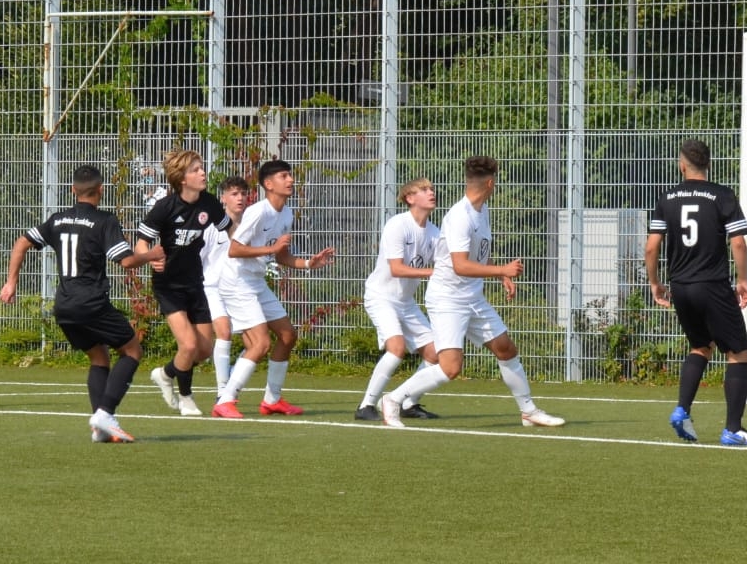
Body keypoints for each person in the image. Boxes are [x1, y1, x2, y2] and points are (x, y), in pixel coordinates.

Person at [378, 156, 564, 429]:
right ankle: (393, 399)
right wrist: (502, 269)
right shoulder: (459, 217)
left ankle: (528, 411)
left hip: (472, 297)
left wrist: (499, 275)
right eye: (495, 181)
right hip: (448, 299)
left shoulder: (482, 209)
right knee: (450, 368)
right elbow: (461, 265)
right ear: (489, 184)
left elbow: (477, 255)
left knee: (505, 348)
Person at [0, 165, 165, 442]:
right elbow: (126, 261)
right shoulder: (104, 220)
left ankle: (100, 428)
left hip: (64, 306)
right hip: (91, 303)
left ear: (73, 190)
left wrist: (11, 283)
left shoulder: (57, 220)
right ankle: (105, 413)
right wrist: (152, 254)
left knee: (99, 357)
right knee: (132, 350)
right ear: (101, 190)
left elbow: (21, 243)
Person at [644, 139, 747, 447]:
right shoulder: (721, 195)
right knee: (738, 352)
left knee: (701, 346)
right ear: (708, 164)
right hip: (712, 284)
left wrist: (655, 283)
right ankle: (733, 429)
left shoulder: (667, 197)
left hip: (681, 287)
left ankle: (682, 410)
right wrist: (742, 279)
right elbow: (738, 242)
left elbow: (652, 247)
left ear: (681, 165)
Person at [212, 159, 336, 418]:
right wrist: (271, 248)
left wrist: (309, 263)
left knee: (288, 336)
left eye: (290, 175)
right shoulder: (258, 211)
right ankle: (225, 400)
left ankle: (272, 400)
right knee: (260, 343)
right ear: (268, 184)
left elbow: (281, 256)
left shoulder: (287, 213)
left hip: (256, 281)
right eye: (283, 176)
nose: (290, 180)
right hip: (237, 281)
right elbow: (235, 249)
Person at [135, 149, 230, 417]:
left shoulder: (209, 203)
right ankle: (187, 398)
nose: (203, 172)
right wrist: (150, 259)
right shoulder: (164, 208)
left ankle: (165, 374)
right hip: (168, 286)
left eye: (202, 167)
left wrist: (249, 245)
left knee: (203, 350)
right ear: (182, 179)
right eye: (196, 169)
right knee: (188, 345)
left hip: (195, 283)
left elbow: (231, 231)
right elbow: (141, 244)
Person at [355, 177, 441, 421]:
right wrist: (434, 272)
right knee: (396, 348)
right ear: (409, 198)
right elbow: (397, 268)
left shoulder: (435, 233)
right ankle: (366, 406)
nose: (431, 192)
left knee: (436, 354)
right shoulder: (397, 225)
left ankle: (407, 403)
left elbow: (450, 264)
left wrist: (497, 273)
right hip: (381, 297)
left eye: (431, 188)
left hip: (406, 302)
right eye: (424, 189)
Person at [206, 174, 252, 388]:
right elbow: (198, 257)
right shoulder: (212, 227)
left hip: (240, 288)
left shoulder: (250, 224)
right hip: (213, 288)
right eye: (234, 194)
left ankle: (232, 379)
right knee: (224, 332)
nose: (240, 198)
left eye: (243, 193)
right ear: (223, 198)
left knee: (257, 343)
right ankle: (222, 389)